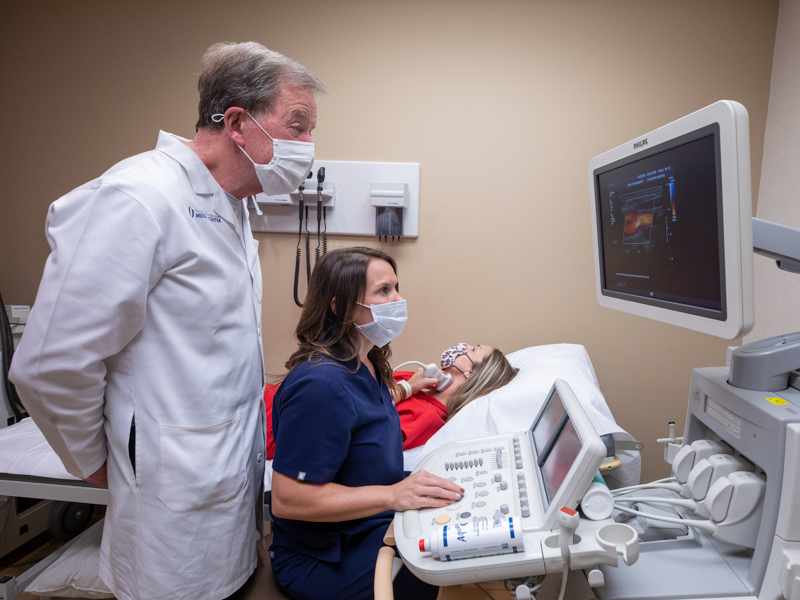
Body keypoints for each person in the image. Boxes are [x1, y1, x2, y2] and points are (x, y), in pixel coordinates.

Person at [9, 42, 326, 600]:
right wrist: (95, 465)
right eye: (296, 127)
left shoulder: (229, 205)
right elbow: (50, 364)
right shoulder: (138, 196)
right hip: (169, 502)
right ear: (236, 122)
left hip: (221, 483)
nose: (308, 147)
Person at [270, 246, 462, 600]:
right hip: (325, 556)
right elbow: (287, 500)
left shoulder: (365, 361)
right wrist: (393, 494)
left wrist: (407, 387)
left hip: (369, 522)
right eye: (384, 291)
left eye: (396, 288)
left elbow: (366, 409)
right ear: (340, 307)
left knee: (458, 523)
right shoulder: (321, 386)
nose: (398, 300)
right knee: (445, 565)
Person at [393, 344, 518, 450]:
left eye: (473, 349)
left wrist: (405, 389)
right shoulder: (420, 379)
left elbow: (377, 438)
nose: (463, 346)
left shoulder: (429, 417)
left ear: (471, 372)